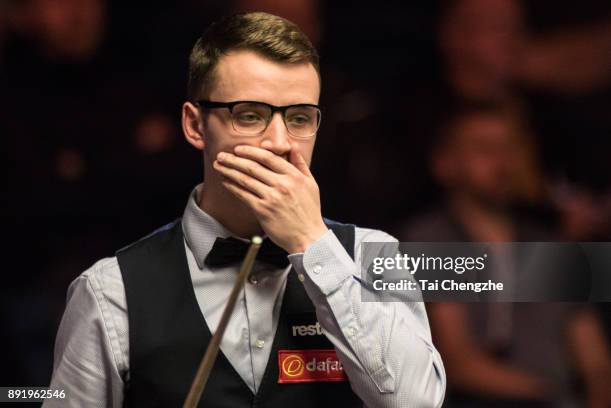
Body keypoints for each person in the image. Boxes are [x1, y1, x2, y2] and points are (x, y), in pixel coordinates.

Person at [44, 12, 446, 408]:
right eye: (250, 115)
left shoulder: (374, 254)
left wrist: (311, 243)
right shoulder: (110, 291)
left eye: (299, 118)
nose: (278, 142)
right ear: (195, 126)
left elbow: (417, 403)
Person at [402, 104, 611, 407]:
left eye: (510, 146)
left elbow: (597, 363)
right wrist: (553, 396)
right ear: (444, 163)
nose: (502, 161)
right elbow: (457, 363)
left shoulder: (552, 244)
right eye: (484, 148)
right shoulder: (427, 238)